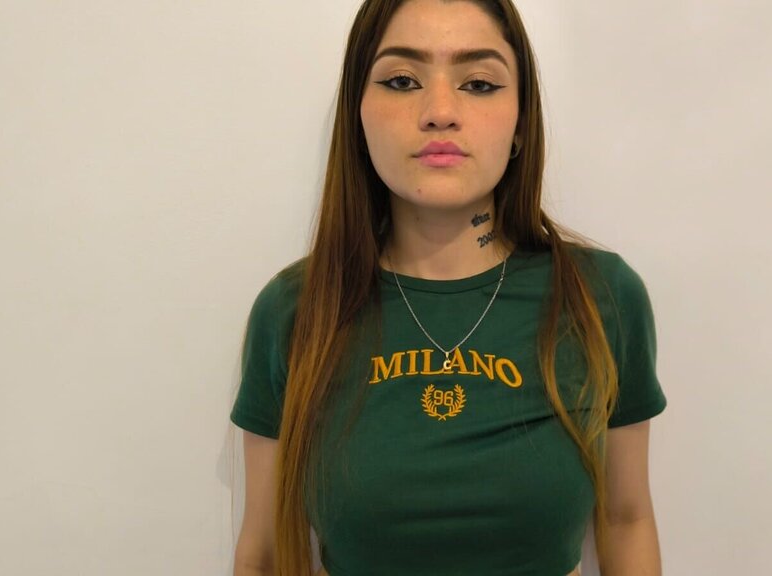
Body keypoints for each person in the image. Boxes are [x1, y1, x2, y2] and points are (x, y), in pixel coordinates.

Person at [230, 1, 668, 574]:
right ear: (358, 116)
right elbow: (265, 553)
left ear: (520, 123)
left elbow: (626, 520)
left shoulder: (600, 298)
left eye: (479, 83)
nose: (440, 112)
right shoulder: (296, 310)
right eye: (402, 81)